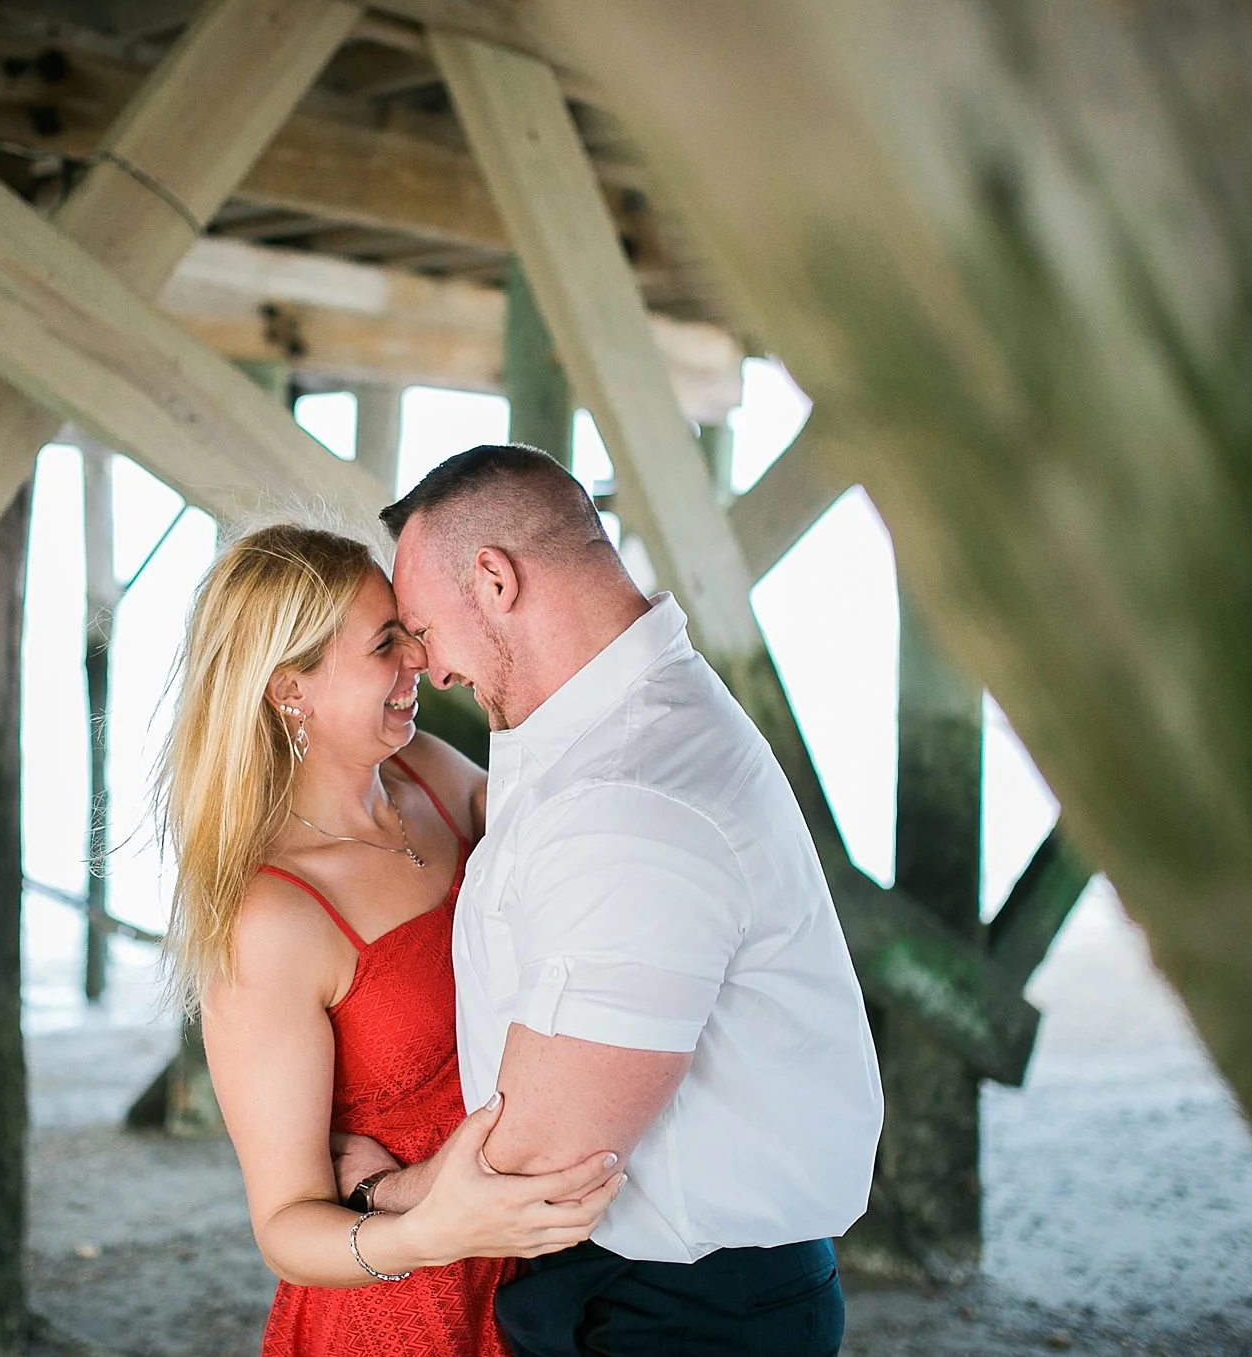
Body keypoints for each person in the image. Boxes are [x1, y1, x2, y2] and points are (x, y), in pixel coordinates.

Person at [357, 445, 885, 1356]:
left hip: (679, 1313)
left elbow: (546, 1159)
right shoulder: (597, 728)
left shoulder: (630, 793)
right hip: (647, 1290)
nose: (429, 668)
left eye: (421, 628)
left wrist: (378, 1196)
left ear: (493, 579)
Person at [161, 524, 626, 1357]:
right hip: (405, 1310)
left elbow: (582, 865)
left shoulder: (434, 778)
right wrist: (427, 1224)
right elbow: (285, 1225)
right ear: (288, 690)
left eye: (408, 629)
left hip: (551, 1275)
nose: (419, 657)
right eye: (385, 644)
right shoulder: (277, 917)